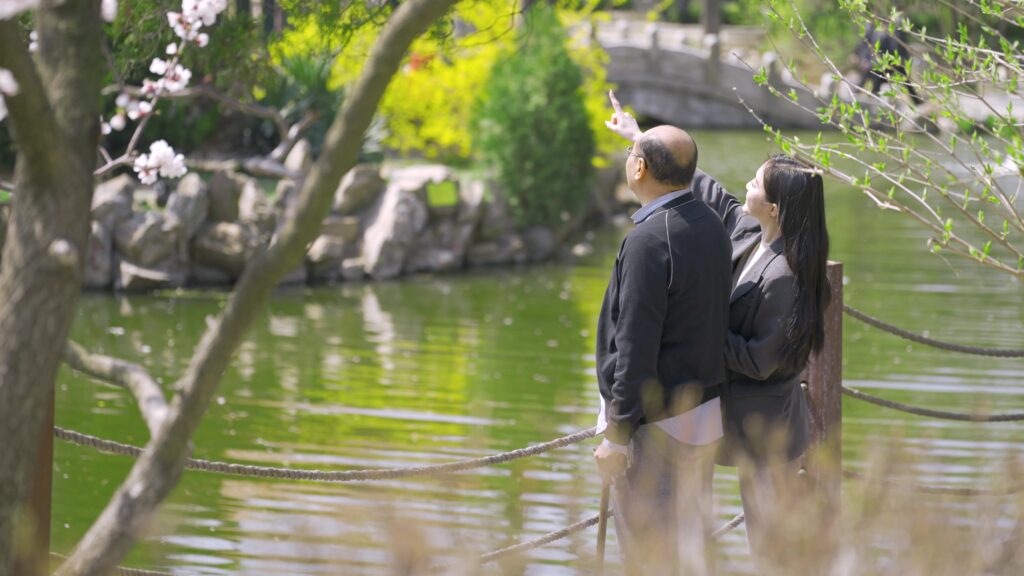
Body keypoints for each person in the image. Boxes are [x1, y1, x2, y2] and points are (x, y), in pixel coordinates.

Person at [606, 92, 832, 570]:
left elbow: (761, 359)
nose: (745, 184)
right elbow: (697, 188)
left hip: (766, 429)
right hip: (728, 417)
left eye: (756, 181)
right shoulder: (749, 233)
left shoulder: (788, 273)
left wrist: (697, 331)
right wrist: (638, 136)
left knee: (772, 546)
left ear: (774, 206)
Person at [592, 121, 732, 575]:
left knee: (647, 555)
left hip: (656, 430)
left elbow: (635, 343)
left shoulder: (649, 241)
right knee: (686, 551)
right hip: (701, 416)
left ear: (639, 167)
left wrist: (617, 434)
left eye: (632, 151)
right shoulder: (710, 223)